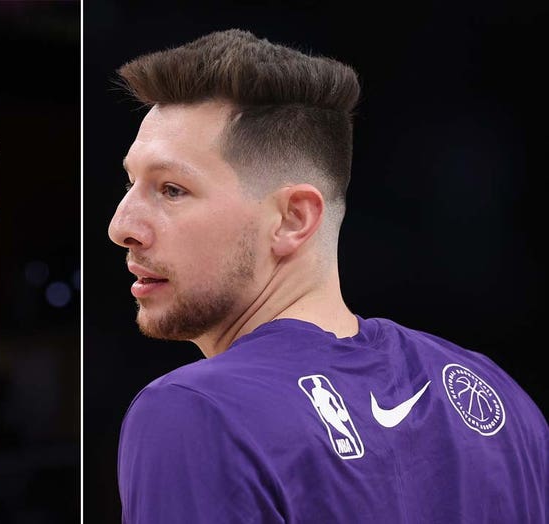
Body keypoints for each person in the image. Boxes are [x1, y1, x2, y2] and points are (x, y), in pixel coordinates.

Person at [108, 28, 548, 523]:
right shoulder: (498, 397)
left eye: (171, 189)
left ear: (294, 218)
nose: (122, 227)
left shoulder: (193, 411)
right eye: (130, 183)